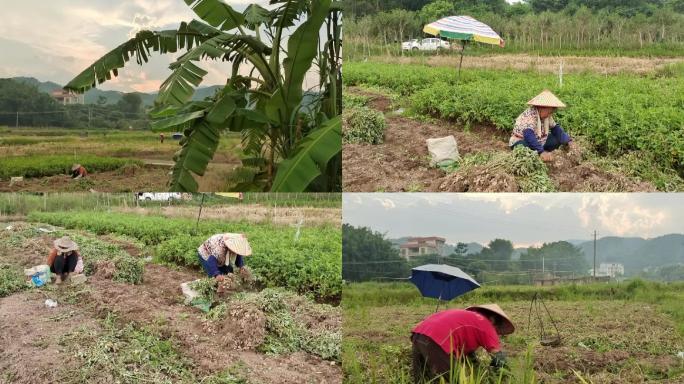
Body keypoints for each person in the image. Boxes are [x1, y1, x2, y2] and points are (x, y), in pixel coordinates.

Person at [411, 304, 515, 382]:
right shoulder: (486, 325)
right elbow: (498, 357)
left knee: (422, 379)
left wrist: (477, 367)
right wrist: (505, 376)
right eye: (497, 330)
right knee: (457, 379)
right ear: (492, 319)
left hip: (419, 334)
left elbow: (467, 356)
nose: (496, 333)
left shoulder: (470, 319)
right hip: (437, 340)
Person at [509, 90, 576, 162]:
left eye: (551, 112)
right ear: (541, 108)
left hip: (539, 140)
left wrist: (568, 140)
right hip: (522, 140)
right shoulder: (530, 116)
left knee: (557, 139)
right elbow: (528, 135)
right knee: (523, 147)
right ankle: (539, 152)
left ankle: (539, 150)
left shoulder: (547, 116)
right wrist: (541, 151)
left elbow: (556, 128)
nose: (550, 115)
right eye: (549, 112)